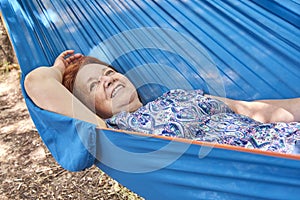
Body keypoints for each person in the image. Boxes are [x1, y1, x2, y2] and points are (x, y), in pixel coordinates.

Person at [25, 50, 300, 154]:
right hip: (270, 165)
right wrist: (59, 69)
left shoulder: (177, 94)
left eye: (108, 73)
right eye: (95, 85)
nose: (107, 80)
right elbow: (36, 83)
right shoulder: (114, 133)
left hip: (283, 138)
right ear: (88, 109)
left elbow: (252, 110)